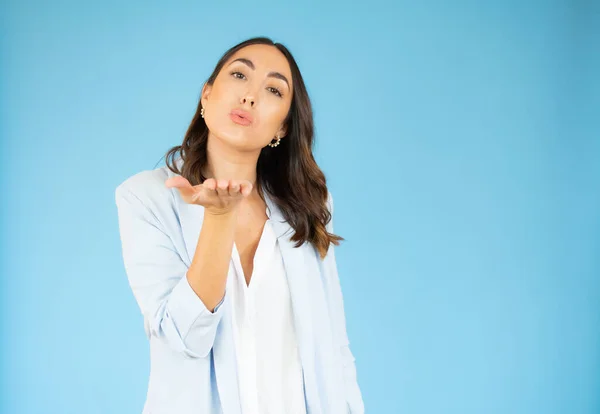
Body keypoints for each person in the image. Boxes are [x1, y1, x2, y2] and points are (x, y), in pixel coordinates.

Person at [115, 36, 364, 414]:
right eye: (238, 75)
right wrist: (218, 218)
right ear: (207, 95)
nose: (250, 96)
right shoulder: (145, 198)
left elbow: (335, 347)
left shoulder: (308, 203)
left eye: (273, 89)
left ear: (281, 129)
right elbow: (184, 339)